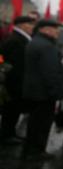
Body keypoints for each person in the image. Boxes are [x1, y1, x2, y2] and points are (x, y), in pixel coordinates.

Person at [21, 19, 63, 159]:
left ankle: (30, 150)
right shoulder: (47, 46)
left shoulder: (35, 42)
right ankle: (36, 151)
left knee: (33, 123)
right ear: (44, 29)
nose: (57, 32)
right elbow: (50, 72)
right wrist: (55, 92)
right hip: (44, 93)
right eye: (54, 29)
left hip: (34, 90)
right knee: (41, 124)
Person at [0, 16, 36, 145]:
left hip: (17, 80)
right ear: (22, 25)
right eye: (30, 24)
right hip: (14, 81)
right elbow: (15, 64)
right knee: (11, 109)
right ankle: (6, 134)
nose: (33, 27)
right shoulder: (16, 40)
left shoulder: (20, 38)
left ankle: (10, 132)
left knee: (13, 109)